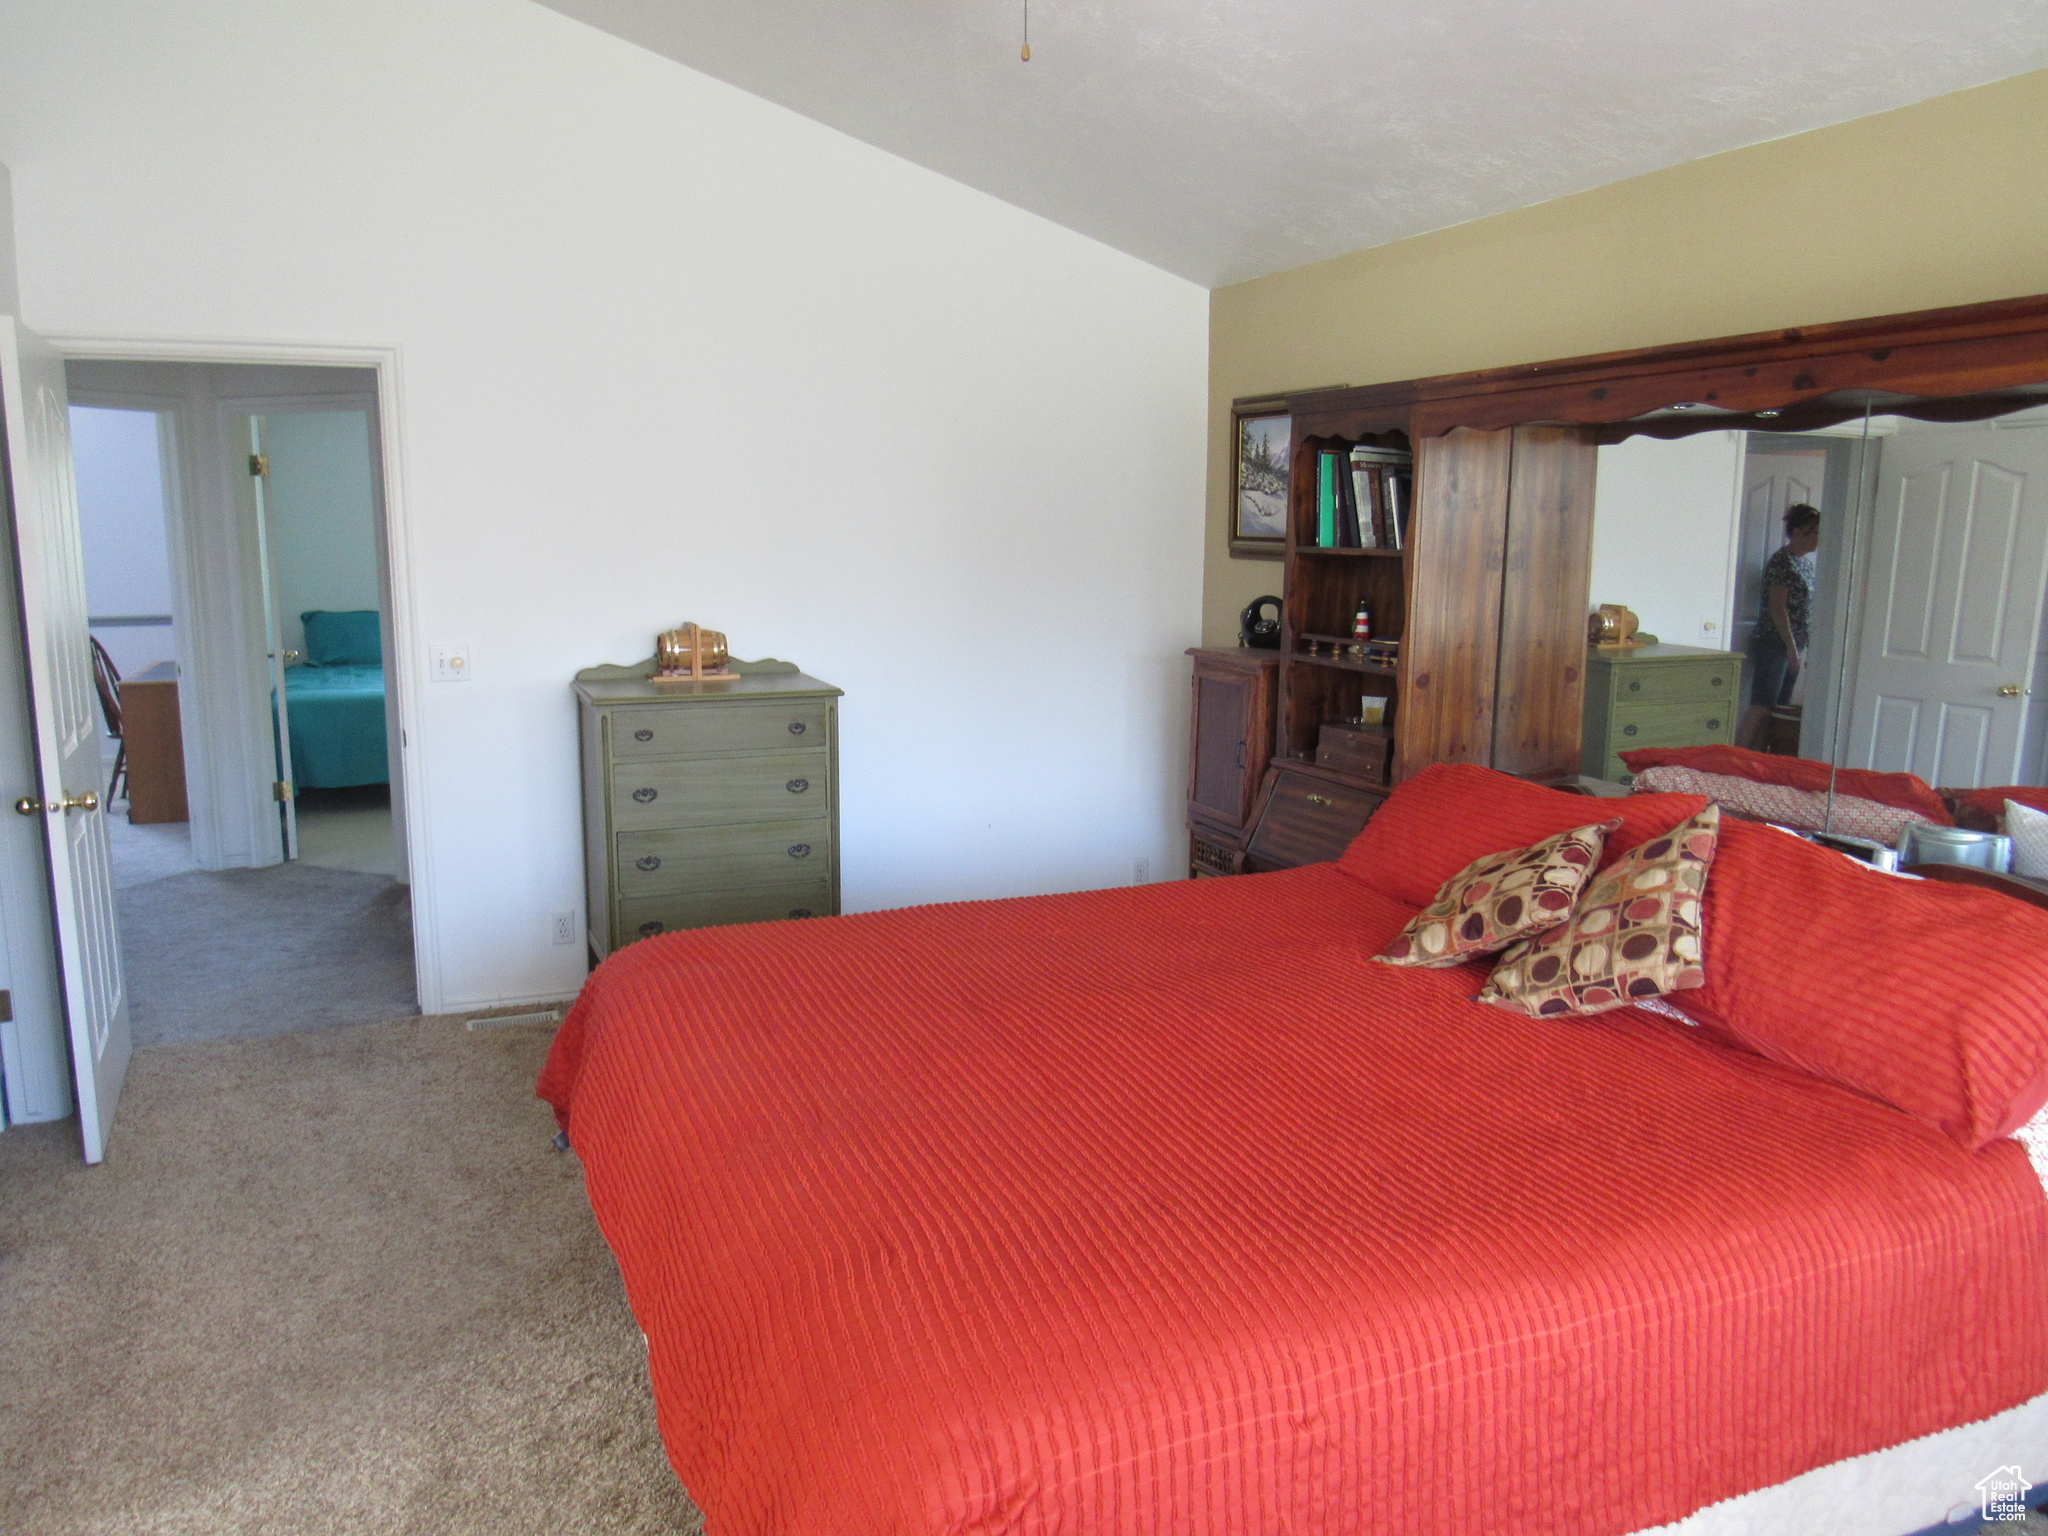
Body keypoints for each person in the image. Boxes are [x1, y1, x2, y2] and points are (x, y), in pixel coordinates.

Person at [1738, 503, 1821, 752]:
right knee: (1762, 704)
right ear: (1797, 531)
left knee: (1778, 708)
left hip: (1793, 643)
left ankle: (1759, 760)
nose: (1819, 539)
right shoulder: (1782, 562)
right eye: (1814, 532)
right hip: (1774, 642)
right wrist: (1792, 650)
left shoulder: (1806, 565)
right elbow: (1777, 608)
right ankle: (1735, 757)